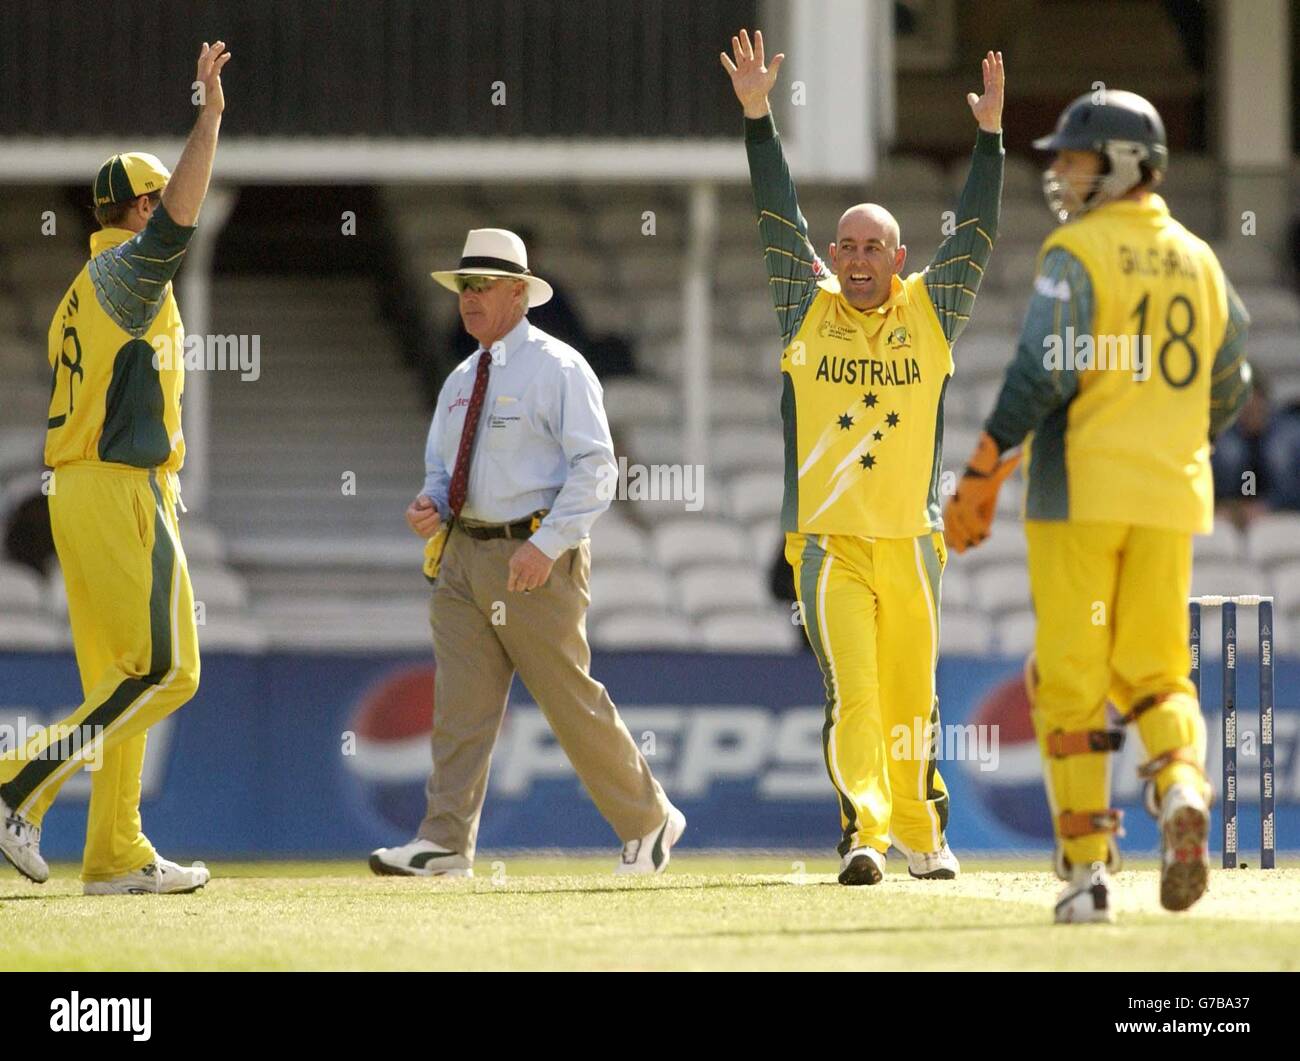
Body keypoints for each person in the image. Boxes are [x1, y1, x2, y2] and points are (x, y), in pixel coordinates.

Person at [945, 89, 1252, 922]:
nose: (1061, 171)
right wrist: (1170, 432)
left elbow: (1040, 372)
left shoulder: (1076, 250)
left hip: (1080, 491)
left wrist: (982, 467)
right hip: (1170, 493)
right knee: (1157, 670)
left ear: (1119, 163)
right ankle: (1182, 784)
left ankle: (1087, 873)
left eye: (1075, 159)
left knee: (1069, 678)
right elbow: (1234, 385)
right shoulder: (1201, 257)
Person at [721, 29, 1005, 885]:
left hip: (913, 543)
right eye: (844, 248)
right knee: (855, 695)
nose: (854, 260)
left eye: (871, 247)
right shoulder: (805, 307)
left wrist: (990, 139)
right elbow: (778, 217)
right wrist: (758, 119)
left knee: (913, 696)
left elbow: (983, 225)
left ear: (901, 258)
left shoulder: (932, 311)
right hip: (828, 544)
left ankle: (926, 835)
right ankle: (866, 838)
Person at [370, 228, 684, 878]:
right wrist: (430, 505)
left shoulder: (559, 367)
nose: (470, 299)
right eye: (464, 287)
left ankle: (649, 817)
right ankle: (445, 841)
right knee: (460, 705)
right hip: (463, 554)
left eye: (482, 286)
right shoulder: (462, 376)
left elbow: (597, 468)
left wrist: (548, 544)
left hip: (532, 554)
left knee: (567, 696)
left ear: (519, 292)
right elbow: (440, 467)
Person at [0, 42, 232, 893]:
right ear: (138, 205)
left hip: (76, 487)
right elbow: (181, 217)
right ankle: (17, 783)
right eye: (155, 197)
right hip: (121, 488)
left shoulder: (86, 279)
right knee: (173, 672)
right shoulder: (131, 272)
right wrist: (209, 116)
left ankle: (116, 851)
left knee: (121, 679)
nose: (165, 206)